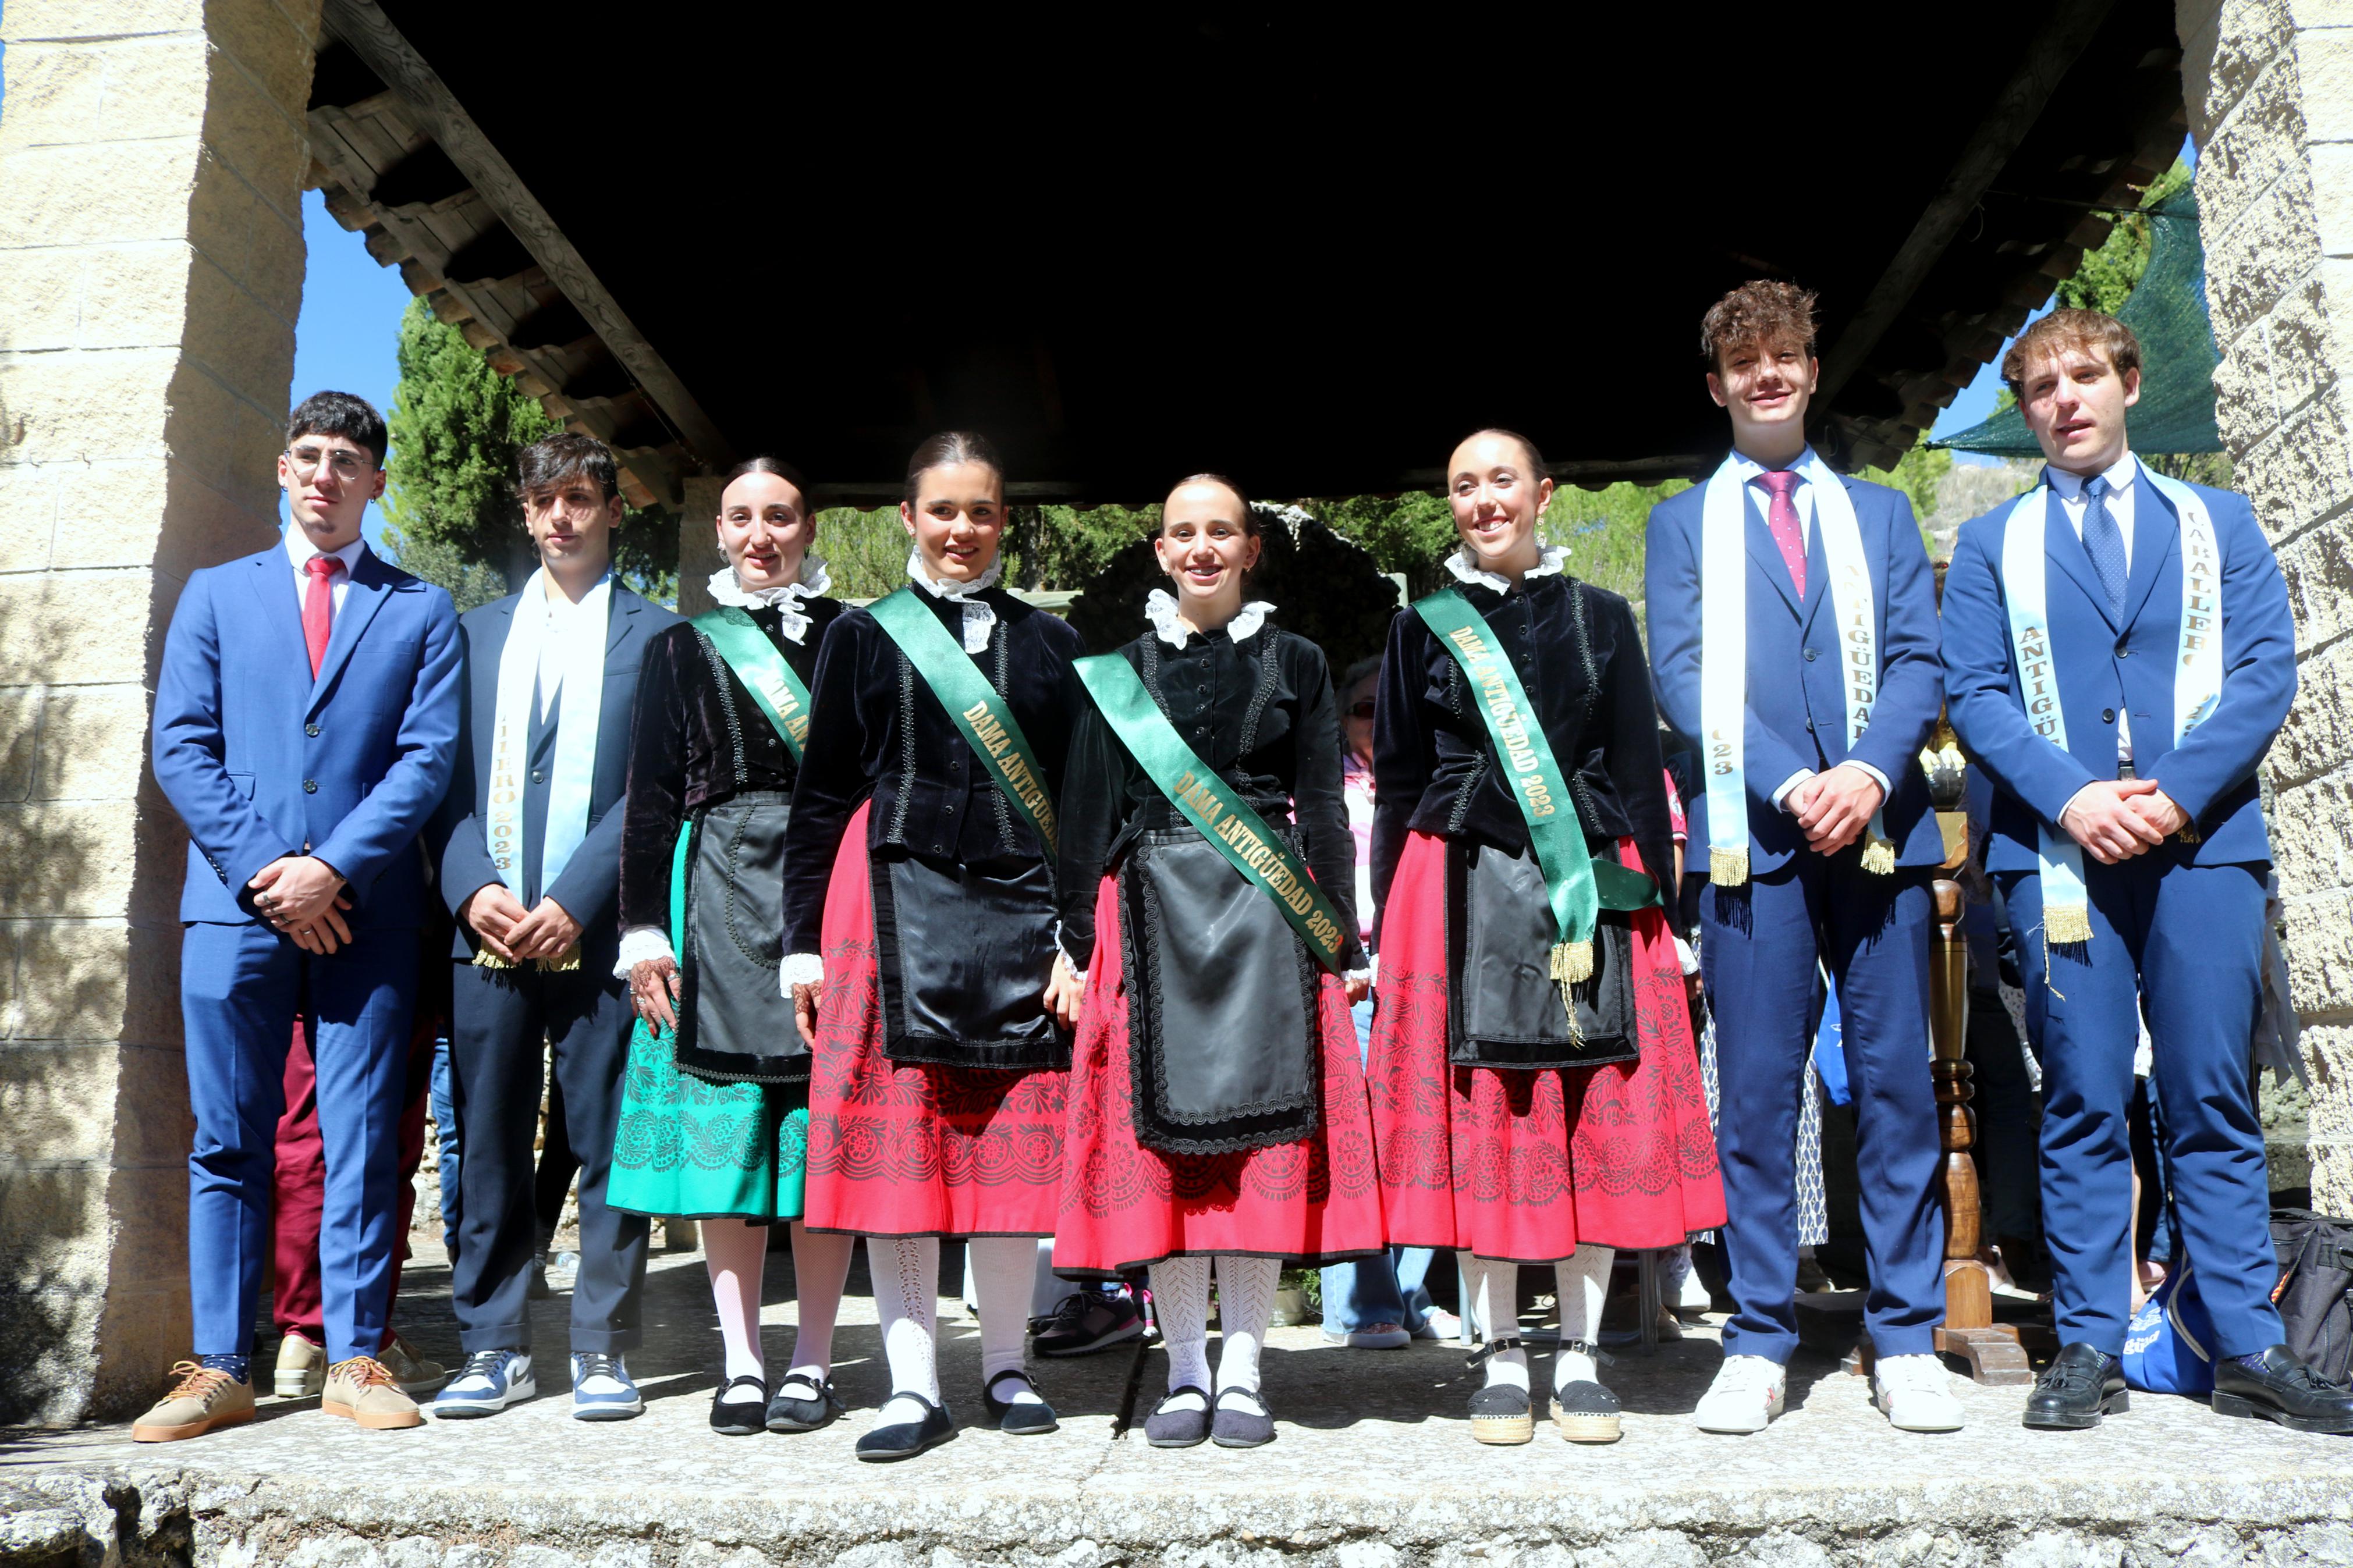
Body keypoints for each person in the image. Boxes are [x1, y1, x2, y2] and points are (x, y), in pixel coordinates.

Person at [1940, 307, 2353, 1432]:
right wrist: (2072, 795)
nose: (2064, 398)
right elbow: (1973, 691)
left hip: (2201, 841)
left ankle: (2249, 1343)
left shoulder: (2215, 522)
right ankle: (2085, 1338)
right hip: (2054, 847)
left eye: (2084, 376)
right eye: (2040, 388)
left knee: (2209, 1093)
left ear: (2127, 382)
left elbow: (2265, 667)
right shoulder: (1992, 547)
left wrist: (2171, 794)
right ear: (2025, 416)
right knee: (2078, 1095)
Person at [1644, 282, 1961, 1435]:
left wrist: (1867, 774)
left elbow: (1918, 663)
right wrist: (1787, 779)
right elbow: (1683, 675)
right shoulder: (1682, 523)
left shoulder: (1876, 515)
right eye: (1743, 363)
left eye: (1783, 357)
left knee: (1890, 1084)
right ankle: (1758, 1330)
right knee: (1759, 1093)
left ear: (1810, 372)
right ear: (1718, 384)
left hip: (1875, 828)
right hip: (1754, 834)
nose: (1764, 376)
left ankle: (1901, 1328)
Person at [1369, 429, 1725, 1447]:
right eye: (1463, 486)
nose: (1483, 500)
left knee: (1586, 1118)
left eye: (1500, 481)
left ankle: (1576, 1356)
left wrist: (1658, 904)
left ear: (1541, 493)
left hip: (1585, 891)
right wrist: (1389, 916)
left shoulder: (1602, 617)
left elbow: (1633, 763)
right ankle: (1495, 1355)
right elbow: (1397, 781)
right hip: (1456, 888)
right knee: (1481, 1121)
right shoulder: (1417, 629)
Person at [141, 390, 460, 1440]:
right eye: (309, 456)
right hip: (236, 913)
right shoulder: (216, 597)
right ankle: (221, 1369)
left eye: (348, 461)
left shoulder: (419, 610)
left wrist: (336, 872)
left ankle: (357, 1357)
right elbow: (181, 746)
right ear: (286, 469)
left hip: (365, 919)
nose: (326, 474)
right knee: (227, 1140)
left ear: (376, 482)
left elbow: (425, 762)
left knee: (366, 1141)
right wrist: (275, 871)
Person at [1053, 475, 1384, 1449]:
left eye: (1220, 534)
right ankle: (1183, 1374)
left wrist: (1341, 937)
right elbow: (1083, 821)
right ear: (1161, 551)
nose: (1200, 549)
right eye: (1182, 534)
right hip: (1147, 919)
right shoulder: (1114, 672)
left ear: (1249, 550)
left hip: (1267, 923)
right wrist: (1073, 944)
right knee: (1164, 1160)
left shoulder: (1299, 661)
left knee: (1257, 1153)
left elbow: (1321, 807)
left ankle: (1242, 1371)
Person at [783, 431, 1086, 1462]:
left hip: (1020, 922)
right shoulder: (862, 638)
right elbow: (821, 796)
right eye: (943, 511)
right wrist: (799, 946)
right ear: (906, 518)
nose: (962, 531)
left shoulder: (1052, 645)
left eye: (983, 512)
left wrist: (1074, 940)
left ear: (1005, 520)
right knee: (897, 1160)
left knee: (1009, 1157)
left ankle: (1004, 1365)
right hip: (887, 914)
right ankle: (912, 1388)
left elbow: (1081, 809)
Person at [605, 457, 860, 1437]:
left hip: (821, 900)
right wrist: (640, 931)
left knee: (816, 1143)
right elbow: (651, 796)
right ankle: (741, 1361)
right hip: (713, 897)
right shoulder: (680, 647)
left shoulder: (853, 638)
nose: (762, 537)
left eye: (781, 517)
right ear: (718, 531)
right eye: (743, 519)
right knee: (730, 1157)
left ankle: (812, 1361)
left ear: (808, 528)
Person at [427, 432, 672, 1422]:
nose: (560, 517)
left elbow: (653, 785)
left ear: (615, 510)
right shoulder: (469, 632)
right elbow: (433, 777)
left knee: (610, 1140)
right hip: (484, 931)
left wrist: (575, 895)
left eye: (579, 498)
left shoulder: (659, 636)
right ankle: (492, 1345)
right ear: (524, 514)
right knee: (484, 1140)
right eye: (543, 501)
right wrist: (466, 886)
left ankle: (602, 1347)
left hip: (599, 928)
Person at [1319, 656, 1451, 1350]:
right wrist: (1343, 958)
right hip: (1356, 977)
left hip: (1423, 973)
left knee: (1425, 1136)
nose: (1376, 720)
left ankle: (1409, 1294)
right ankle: (1369, 1303)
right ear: (1343, 718)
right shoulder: (1318, 787)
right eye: (1363, 708)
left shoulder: (1431, 786)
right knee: (1362, 1143)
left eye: (1387, 709)